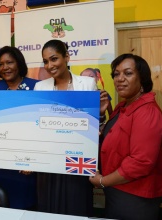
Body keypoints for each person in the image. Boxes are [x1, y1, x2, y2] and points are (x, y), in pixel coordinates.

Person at [34, 39, 109, 216]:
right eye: (45, 61)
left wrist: (100, 114)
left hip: (78, 158)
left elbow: (93, 124)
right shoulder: (40, 87)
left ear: (67, 57)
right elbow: (37, 126)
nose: (50, 65)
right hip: (49, 158)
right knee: (49, 208)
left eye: (54, 59)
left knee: (76, 205)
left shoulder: (86, 84)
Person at [89, 53, 162, 220]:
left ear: (142, 79)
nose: (120, 79)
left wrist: (103, 181)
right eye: (116, 74)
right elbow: (114, 136)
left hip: (135, 196)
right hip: (117, 189)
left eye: (128, 73)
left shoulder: (147, 112)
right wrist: (103, 114)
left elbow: (141, 162)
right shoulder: (123, 105)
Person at [0, 46, 39, 210]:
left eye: (9, 62)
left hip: (28, 165)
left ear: (19, 64)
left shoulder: (37, 87)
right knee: (3, 205)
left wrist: (32, 159)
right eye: (1, 64)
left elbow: (42, 127)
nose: (5, 67)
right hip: (2, 162)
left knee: (27, 207)